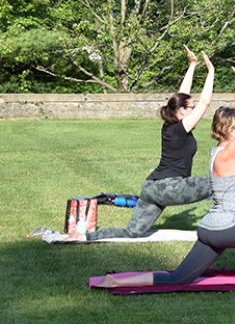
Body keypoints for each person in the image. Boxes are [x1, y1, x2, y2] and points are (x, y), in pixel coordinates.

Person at [97, 56, 235, 287]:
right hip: (228, 227)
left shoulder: (223, 150)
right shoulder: (229, 155)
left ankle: (116, 282)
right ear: (232, 131)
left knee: (179, 279)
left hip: (209, 229)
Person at [72, 47, 216, 242]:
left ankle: (87, 236)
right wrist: (211, 71)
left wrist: (192, 66)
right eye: (191, 106)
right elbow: (205, 102)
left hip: (150, 188)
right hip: (169, 187)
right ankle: (226, 225)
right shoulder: (180, 128)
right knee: (220, 183)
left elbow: (181, 95)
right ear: (181, 111)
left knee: (133, 233)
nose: (194, 108)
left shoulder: (170, 125)